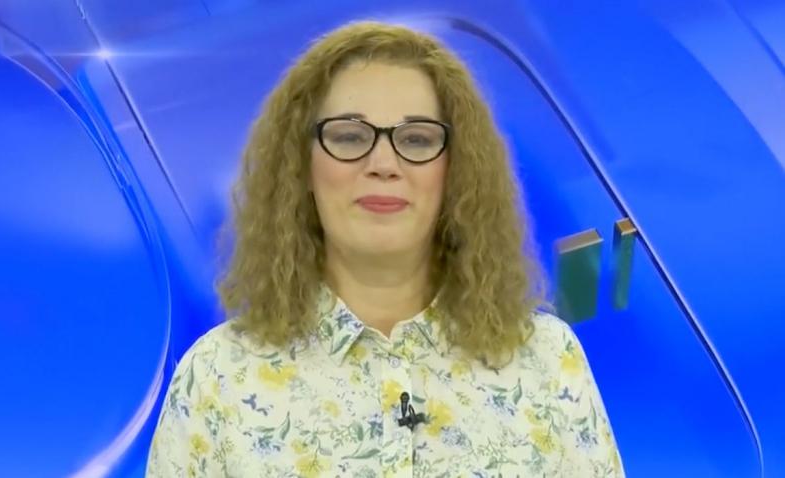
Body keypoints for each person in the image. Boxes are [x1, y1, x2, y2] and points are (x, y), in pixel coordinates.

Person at [146, 21, 624, 478]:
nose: (383, 163)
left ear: (456, 171)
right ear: (301, 166)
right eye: (349, 137)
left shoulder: (546, 361)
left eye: (416, 139)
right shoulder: (218, 378)